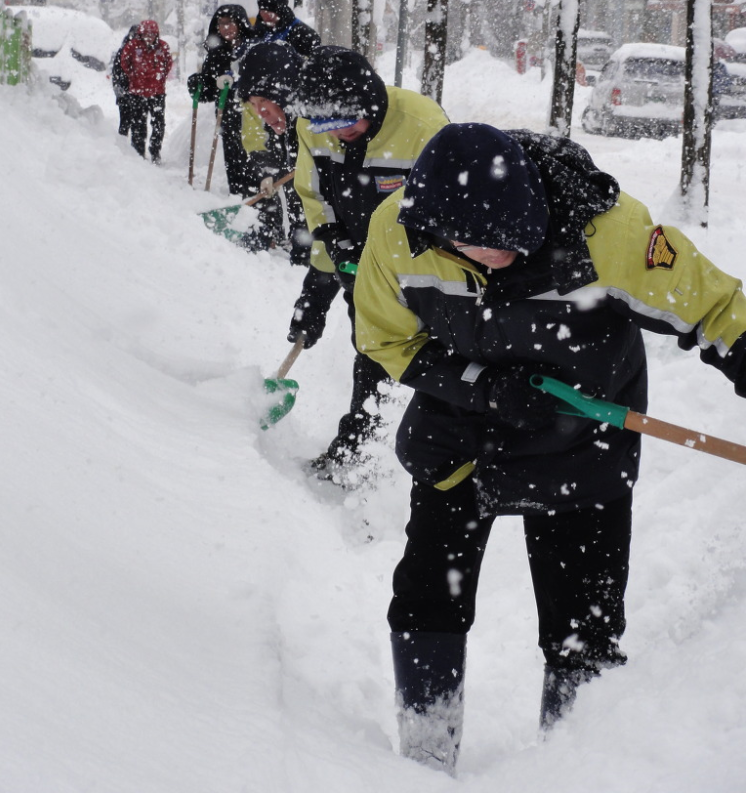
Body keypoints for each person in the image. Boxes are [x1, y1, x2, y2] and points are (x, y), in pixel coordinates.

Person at [352, 122, 746, 775]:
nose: (484, 257)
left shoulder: (610, 235)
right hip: (461, 441)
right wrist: (482, 387)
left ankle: (573, 766)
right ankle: (421, 765)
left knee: (583, 625)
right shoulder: (400, 231)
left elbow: (718, 310)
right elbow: (385, 341)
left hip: (583, 445)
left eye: (500, 244)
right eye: (466, 244)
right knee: (428, 597)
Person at [290, 45, 449, 480]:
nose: (337, 134)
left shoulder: (422, 126)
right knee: (371, 348)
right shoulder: (314, 127)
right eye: (326, 125)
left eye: (345, 123)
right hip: (355, 260)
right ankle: (359, 449)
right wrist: (324, 272)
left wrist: (391, 264)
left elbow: (442, 216)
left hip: (420, 269)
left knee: (427, 360)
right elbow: (314, 197)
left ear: (369, 101)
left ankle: (421, 457)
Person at [236, 40, 312, 265]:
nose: (260, 112)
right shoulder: (291, 121)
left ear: (282, 91)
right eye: (253, 104)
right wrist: (266, 171)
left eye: (263, 101)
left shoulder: (316, 119)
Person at [187, 4, 257, 196]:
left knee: (253, 163)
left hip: (254, 117)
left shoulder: (254, 48)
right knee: (234, 163)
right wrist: (199, 85)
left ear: (240, 24)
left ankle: (256, 205)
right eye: (221, 24)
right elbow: (209, 91)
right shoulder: (217, 53)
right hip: (227, 116)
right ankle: (238, 200)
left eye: (230, 23)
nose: (225, 28)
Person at [118, 19, 172, 163]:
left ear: (157, 34)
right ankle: (138, 153)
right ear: (141, 34)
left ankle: (155, 151)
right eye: (146, 34)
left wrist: (158, 80)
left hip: (157, 93)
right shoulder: (132, 46)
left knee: (158, 124)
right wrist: (135, 77)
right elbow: (125, 63)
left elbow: (168, 65)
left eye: (152, 34)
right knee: (138, 125)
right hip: (137, 94)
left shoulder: (163, 47)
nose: (149, 37)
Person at [253, 0, 320, 57]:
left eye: (271, 11)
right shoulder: (257, 30)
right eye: (263, 11)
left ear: (282, 11)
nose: (267, 16)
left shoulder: (303, 35)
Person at [111, 24, 138, 138]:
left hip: (132, 91)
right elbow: (117, 71)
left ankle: (130, 149)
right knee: (129, 122)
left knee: (131, 123)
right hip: (127, 91)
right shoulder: (125, 50)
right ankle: (127, 149)